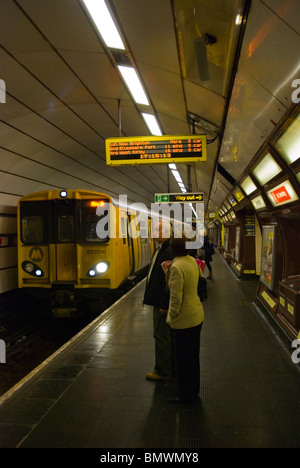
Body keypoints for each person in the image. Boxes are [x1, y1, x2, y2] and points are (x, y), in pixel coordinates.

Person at [167, 234, 204, 403]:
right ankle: (193, 390)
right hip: (197, 314)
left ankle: (184, 395)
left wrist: (171, 317)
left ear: (173, 248)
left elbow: (176, 298)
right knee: (193, 357)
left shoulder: (176, 267)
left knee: (183, 359)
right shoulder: (191, 261)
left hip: (184, 319)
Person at [143, 220, 175, 381]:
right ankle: (165, 367)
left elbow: (168, 281)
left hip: (161, 304)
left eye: (157, 229)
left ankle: (163, 371)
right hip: (158, 301)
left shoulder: (168, 252)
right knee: (162, 335)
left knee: (161, 335)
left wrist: (164, 303)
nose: (154, 232)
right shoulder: (161, 249)